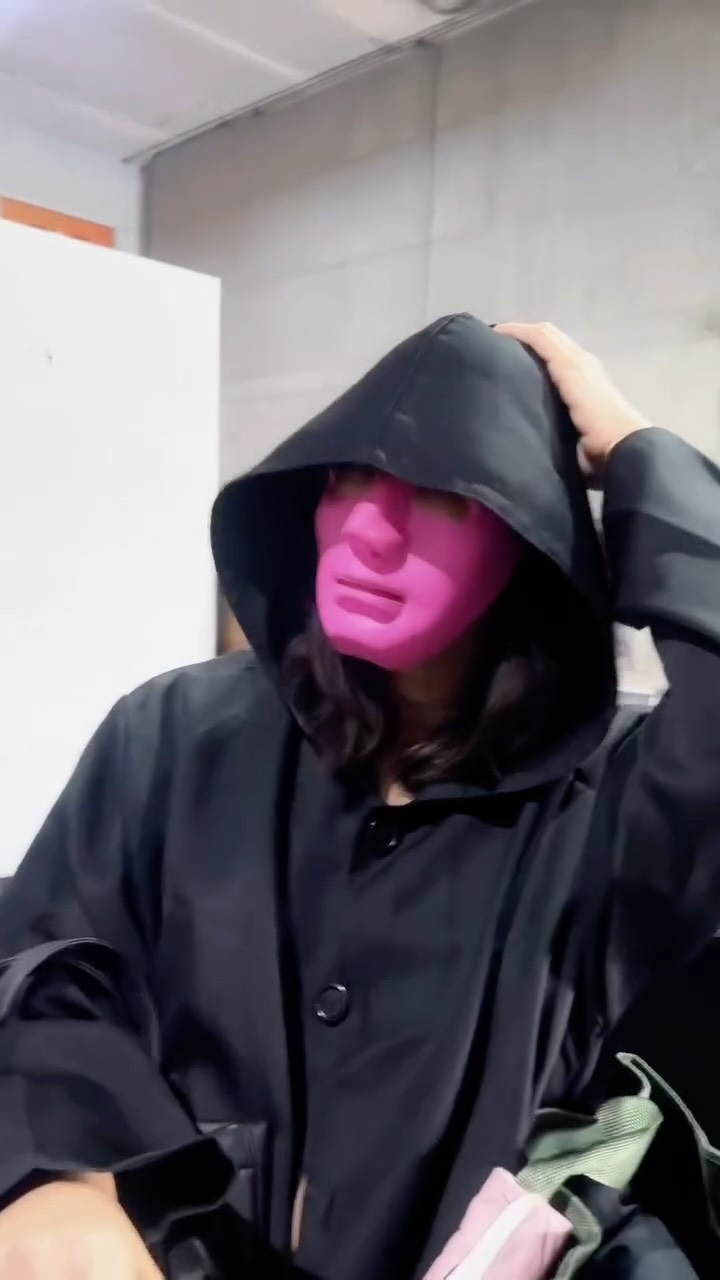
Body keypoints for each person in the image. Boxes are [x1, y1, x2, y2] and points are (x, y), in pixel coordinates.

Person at [0, 314, 718, 1279]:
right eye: (344, 482)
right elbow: (46, 968)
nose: (368, 533)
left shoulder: (608, 810)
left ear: (530, 539)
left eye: (440, 499)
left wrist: (640, 458)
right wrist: (57, 1184)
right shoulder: (174, 735)